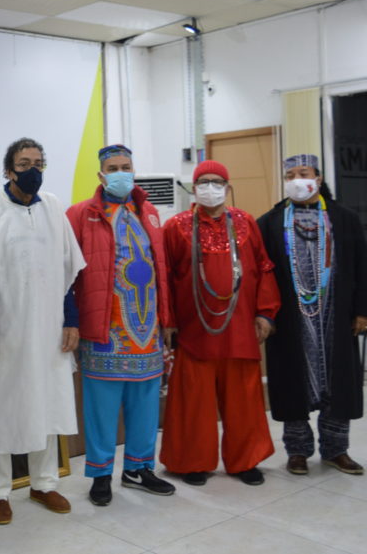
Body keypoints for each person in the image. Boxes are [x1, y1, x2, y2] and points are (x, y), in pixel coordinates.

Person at [0, 137, 85, 525]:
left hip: (48, 330)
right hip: (2, 330)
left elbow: (67, 270)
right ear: (8, 170)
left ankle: (44, 483)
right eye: (24, 163)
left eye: (38, 163)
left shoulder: (53, 207)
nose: (33, 170)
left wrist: (71, 319)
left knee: (46, 402)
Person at [66, 144, 176, 507]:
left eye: (125, 166)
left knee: (145, 404)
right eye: (112, 168)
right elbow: (67, 273)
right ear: (101, 175)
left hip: (147, 327)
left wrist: (167, 320)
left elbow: (162, 270)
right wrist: (71, 321)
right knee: (102, 406)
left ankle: (139, 468)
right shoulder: (81, 214)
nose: (120, 173)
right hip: (105, 328)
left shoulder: (150, 213)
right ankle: (100, 474)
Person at [160, 159, 280, 487]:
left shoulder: (246, 222)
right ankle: (192, 462)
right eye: (203, 182)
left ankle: (245, 461)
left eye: (217, 182)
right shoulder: (175, 227)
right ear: (194, 188)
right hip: (193, 330)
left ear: (227, 188)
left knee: (244, 399)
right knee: (193, 401)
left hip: (240, 329)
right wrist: (168, 321)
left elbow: (264, 268)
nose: (210, 188)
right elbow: (165, 277)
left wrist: (265, 313)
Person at [258, 154, 367, 476]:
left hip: (336, 318)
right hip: (289, 319)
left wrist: (364, 310)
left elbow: (362, 265)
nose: (297, 180)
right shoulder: (269, 222)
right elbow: (260, 274)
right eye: (290, 175)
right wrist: (263, 314)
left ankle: (337, 449)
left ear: (318, 179)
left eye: (304, 173)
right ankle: (297, 451)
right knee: (291, 382)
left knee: (339, 383)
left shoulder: (344, 219)